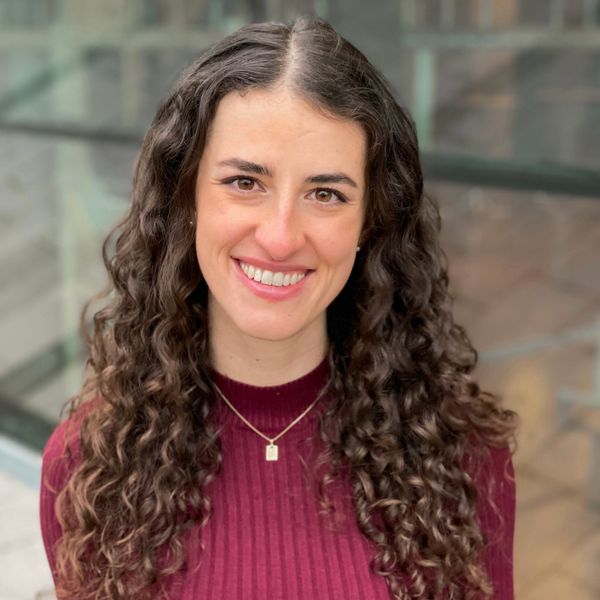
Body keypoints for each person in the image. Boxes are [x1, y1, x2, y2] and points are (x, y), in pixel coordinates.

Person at [40, 15, 519, 600]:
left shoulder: (463, 457)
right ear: (186, 196)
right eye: (245, 183)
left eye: (326, 194)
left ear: (370, 222)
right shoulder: (87, 466)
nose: (281, 237)